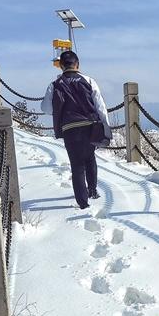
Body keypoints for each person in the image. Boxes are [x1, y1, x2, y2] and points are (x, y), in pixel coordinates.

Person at [41, 51, 110, 209]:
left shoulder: (55, 84)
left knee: (77, 164)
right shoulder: (89, 81)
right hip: (89, 126)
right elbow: (100, 106)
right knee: (90, 157)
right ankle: (92, 190)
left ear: (61, 66)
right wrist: (106, 128)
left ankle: (83, 203)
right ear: (77, 64)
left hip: (69, 128)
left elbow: (46, 108)